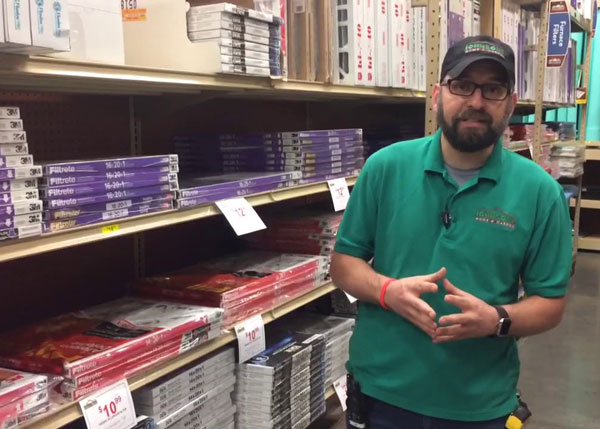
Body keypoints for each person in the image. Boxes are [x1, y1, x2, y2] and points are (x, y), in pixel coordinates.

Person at [330, 35, 572, 429]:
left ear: (511, 103)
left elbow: (550, 303)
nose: (476, 101)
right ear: (437, 95)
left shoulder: (540, 193)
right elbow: (344, 264)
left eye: (492, 89)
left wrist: (496, 319)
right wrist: (388, 292)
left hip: (479, 404)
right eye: (462, 85)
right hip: (381, 394)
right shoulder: (385, 168)